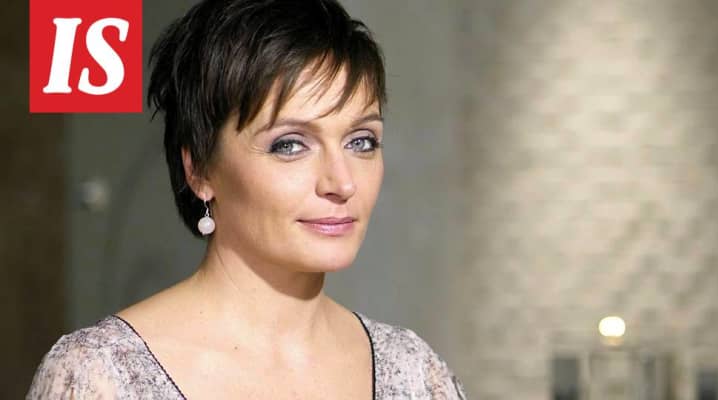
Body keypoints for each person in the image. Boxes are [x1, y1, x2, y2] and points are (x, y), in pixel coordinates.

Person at [27, 0, 468, 398]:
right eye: (290, 145)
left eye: (361, 141)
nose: (342, 182)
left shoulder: (415, 372)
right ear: (199, 170)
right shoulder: (100, 377)